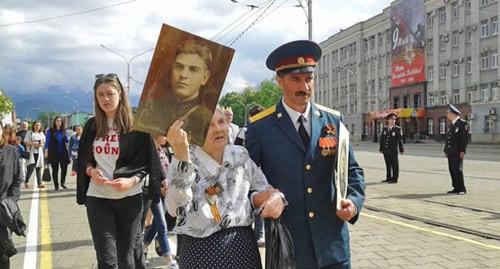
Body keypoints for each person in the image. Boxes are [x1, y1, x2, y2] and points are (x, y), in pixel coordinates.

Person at [246, 40, 366, 269]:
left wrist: (354, 201)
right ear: (279, 81)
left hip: (332, 245)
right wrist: (264, 200)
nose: (305, 87)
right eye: (295, 80)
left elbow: (352, 170)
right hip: (289, 246)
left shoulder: (333, 121)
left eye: (309, 78)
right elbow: (248, 181)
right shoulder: (260, 127)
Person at [165, 107, 286, 269]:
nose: (218, 129)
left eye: (221, 122)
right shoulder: (186, 158)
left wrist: (277, 197)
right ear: (194, 131)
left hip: (243, 249)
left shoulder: (239, 155)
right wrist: (181, 160)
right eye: (209, 125)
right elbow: (175, 209)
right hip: (201, 254)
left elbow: (264, 189)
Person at [76, 73, 164, 269]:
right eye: (100, 95)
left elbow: (148, 161)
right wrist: (91, 172)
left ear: (120, 94)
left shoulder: (136, 125)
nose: (105, 99)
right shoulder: (92, 125)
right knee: (106, 260)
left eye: (110, 93)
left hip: (130, 199)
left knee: (126, 258)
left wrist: (132, 181)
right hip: (98, 198)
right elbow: (83, 160)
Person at [134, 39, 214, 146]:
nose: (183, 75)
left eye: (193, 69)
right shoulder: (151, 109)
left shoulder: (207, 118)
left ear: (205, 77)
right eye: (179, 67)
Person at [142, 135, 177, 268]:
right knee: (162, 226)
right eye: (163, 134)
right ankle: (169, 260)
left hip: (164, 193)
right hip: (152, 194)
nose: (166, 137)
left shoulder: (163, 150)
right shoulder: (148, 151)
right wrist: (160, 187)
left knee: (157, 224)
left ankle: (144, 248)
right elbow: (148, 174)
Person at [0, 122, 23, 268]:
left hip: (2, 209)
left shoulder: (11, 151)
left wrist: (11, 200)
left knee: (3, 252)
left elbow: (17, 179)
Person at [444, 104, 469, 195]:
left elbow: (464, 139)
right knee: (452, 169)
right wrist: (446, 150)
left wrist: (462, 151)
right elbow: (448, 139)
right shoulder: (451, 124)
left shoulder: (462, 123)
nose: (447, 115)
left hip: (458, 152)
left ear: (452, 113)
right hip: (451, 151)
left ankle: (462, 188)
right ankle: (455, 187)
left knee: (457, 169)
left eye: (448, 113)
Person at [44, 117, 70, 190]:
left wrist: (67, 139)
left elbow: (67, 140)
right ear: (55, 122)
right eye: (57, 121)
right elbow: (47, 141)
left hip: (63, 153)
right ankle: (56, 185)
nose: (59, 122)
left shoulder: (64, 131)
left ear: (62, 122)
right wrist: (46, 151)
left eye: (60, 121)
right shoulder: (51, 130)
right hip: (53, 153)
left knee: (64, 168)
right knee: (55, 170)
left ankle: (62, 183)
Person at [379, 113, 404, 184]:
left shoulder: (397, 129)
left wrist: (401, 149)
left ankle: (394, 179)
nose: (393, 121)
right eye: (391, 119)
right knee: (388, 164)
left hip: (393, 150)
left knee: (394, 165)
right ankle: (388, 177)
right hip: (386, 150)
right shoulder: (385, 128)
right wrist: (381, 148)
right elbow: (382, 139)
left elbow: (400, 140)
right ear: (388, 120)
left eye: (394, 119)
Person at [24, 121, 46, 189]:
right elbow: (26, 142)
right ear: (33, 126)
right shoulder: (29, 133)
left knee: (38, 168)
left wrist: (41, 145)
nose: (37, 127)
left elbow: (43, 143)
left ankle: (39, 183)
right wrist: (34, 144)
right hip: (31, 152)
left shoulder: (41, 134)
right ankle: (26, 181)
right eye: (36, 125)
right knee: (31, 168)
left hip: (39, 152)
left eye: (39, 125)